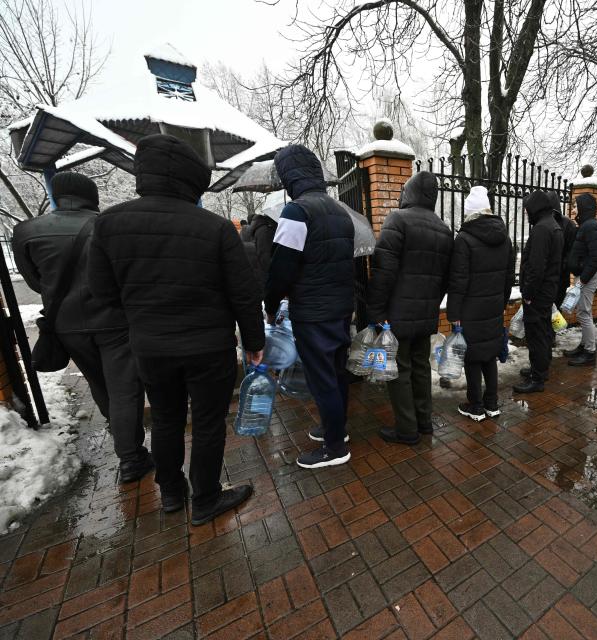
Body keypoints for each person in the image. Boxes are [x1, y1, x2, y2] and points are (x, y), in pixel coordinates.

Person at [87, 134, 264, 524]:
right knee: (207, 422)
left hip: (151, 347)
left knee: (166, 418)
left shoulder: (109, 224)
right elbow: (244, 294)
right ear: (191, 179)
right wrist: (254, 342)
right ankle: (205, 498)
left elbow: (102, 293)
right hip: (208, 346)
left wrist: (142, 314)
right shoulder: (216, 229)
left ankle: (170, 492)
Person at [13, 172, 150, 484]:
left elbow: (36, 282)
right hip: (115, 321)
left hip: (67, 325)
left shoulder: (26, 232)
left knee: (98, 383)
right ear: (93, 196)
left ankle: (122, 439)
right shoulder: (111, 226)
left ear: (54, 195)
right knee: (125, 388)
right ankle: (131, 458)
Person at [264, 145, 355, 468]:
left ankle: (334, 447)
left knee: (322, 378)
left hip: (314, 311)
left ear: (289, 176)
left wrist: (271, 304)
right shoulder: (340, 211)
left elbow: (281, 268)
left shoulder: (296, 212)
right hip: (341, 307)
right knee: (337, 372)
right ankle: (337, 430)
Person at [368, 171, 454, 444]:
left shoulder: (398, 220)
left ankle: (407, 429)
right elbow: (445, 278)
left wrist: (377, 311)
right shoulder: (443, 229)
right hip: (425, 314)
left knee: (399, 370)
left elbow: (383, 272)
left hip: (397, 315)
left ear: (410, 192)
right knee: (420, 367)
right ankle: (424, 421)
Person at [446, 187, 514, 421]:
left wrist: (453, 312)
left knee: (472, 357)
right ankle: (492, 404)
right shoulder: (505, 238)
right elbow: (508, 277)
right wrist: (502, 302)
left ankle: (475, 406)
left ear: (469, 213)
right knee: (489, 355)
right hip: (494, 307)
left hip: (470, 309)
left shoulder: (464, 240)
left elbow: (458, 280)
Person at [514, 190, 563, 393]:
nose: (526, 214)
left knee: (536, 334)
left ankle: (538, 378)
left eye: (527, 210)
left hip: (538, 294)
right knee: (543, 332)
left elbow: (536, 267)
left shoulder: (542, 229)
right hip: (547, 290)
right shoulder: (553, 225)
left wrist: (528, 294)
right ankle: (540, 368)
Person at [563, 193, 597, 366]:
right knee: (582, 311)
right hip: (584, 275)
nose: (573, 210)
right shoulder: (586, 225)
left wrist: (583, 280)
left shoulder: (591, 227)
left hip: (587, 277)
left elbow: (596, 257)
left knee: (584, 312)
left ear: (584, 207)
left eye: (575, 206)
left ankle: (590, 352)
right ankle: (584, 345)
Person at [551, 192, 578, 316]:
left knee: (556, 307)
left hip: (561, 275)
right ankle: (548, 333)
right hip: (549, 275)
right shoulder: (545, 222)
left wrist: (563, 266)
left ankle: (552, 333)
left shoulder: (568, 224)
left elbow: (572, 251)